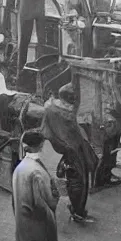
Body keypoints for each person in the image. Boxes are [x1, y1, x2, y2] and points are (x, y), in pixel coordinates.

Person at [42, 83, 98, 224]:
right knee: (79, 182)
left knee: (75, 180)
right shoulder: (67, 113)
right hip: (73, 148)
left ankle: (77, 209)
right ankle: (78, 212)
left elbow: (46, 130)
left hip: (64, 148)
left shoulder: (51, 108)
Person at [16, 0, 47, 72]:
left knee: (31, 41)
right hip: (32, 10)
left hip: (32, 10)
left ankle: (29, 69)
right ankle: (24, 69)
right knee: (30, 41)